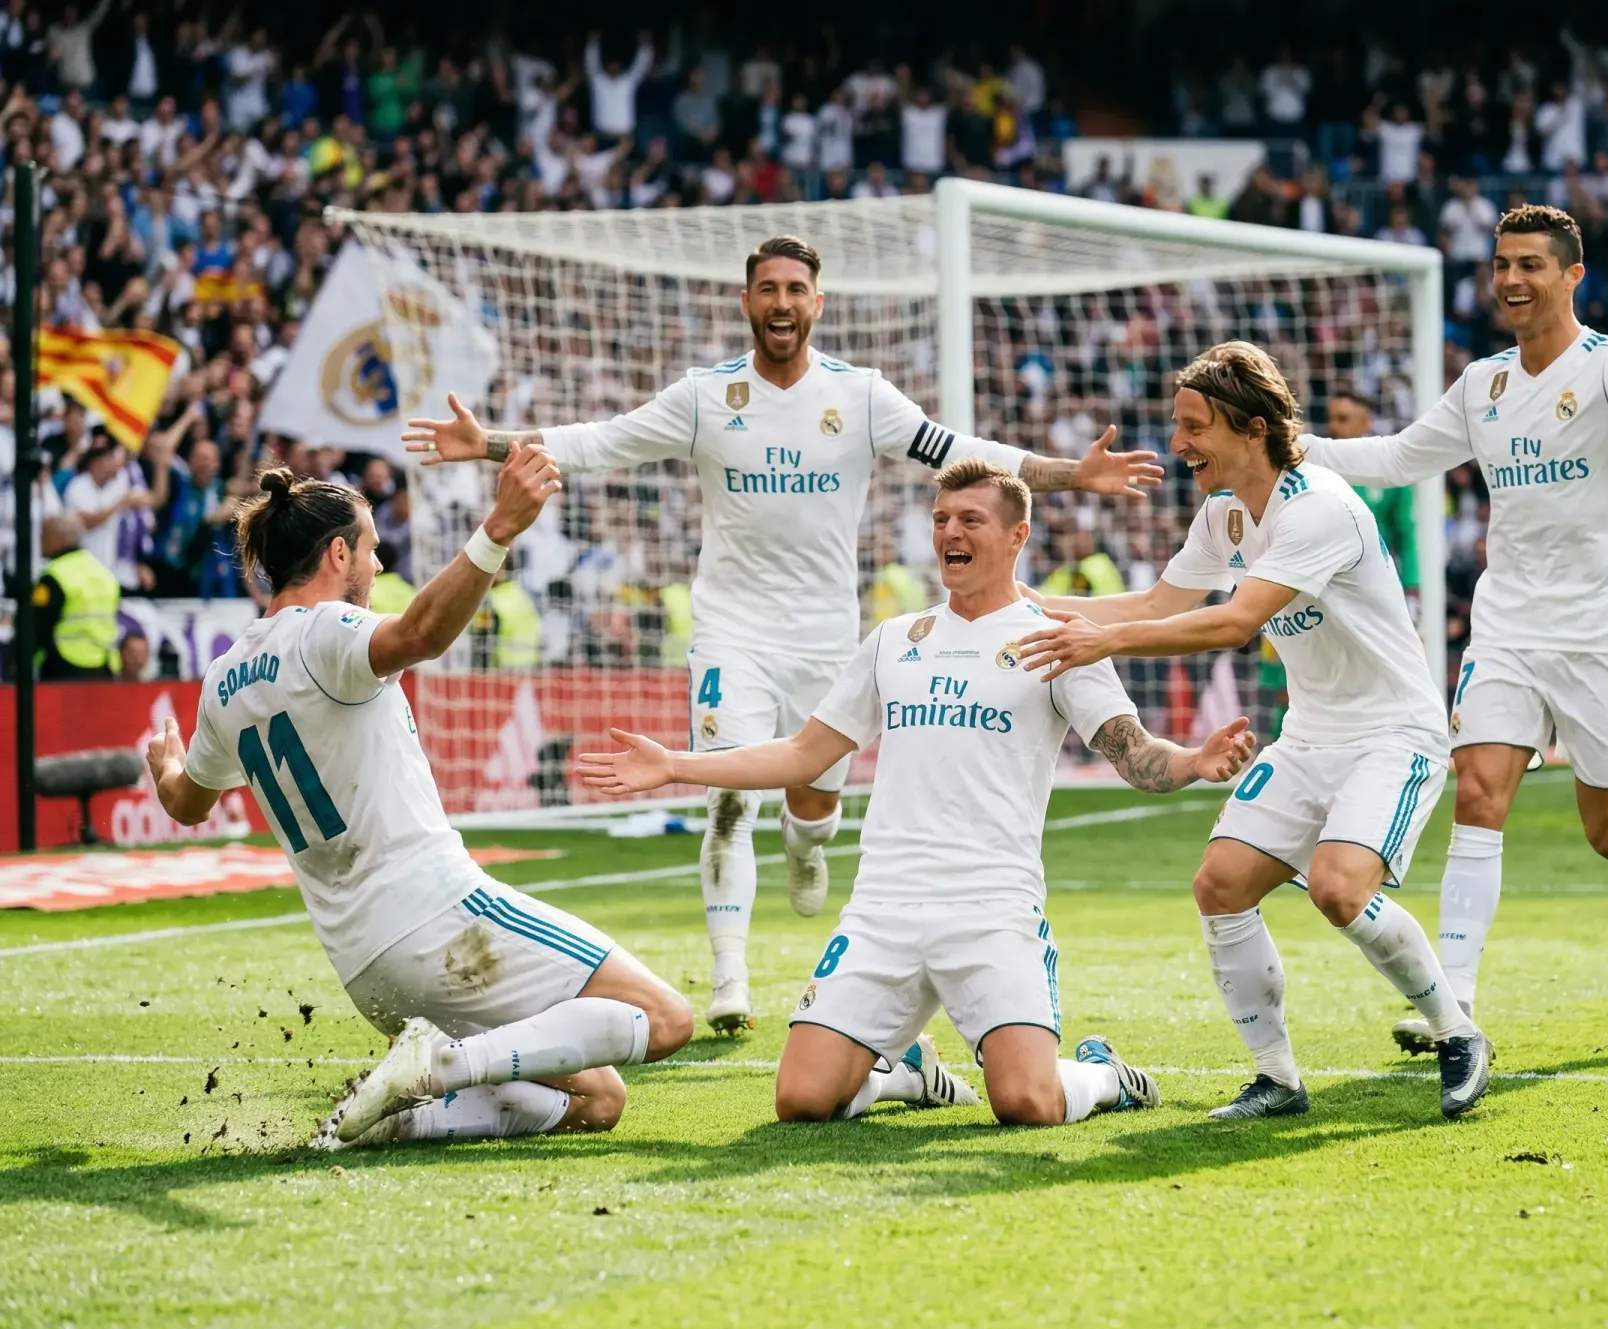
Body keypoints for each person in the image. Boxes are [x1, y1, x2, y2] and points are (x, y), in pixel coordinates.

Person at [404, 234, 1162, 1035]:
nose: (781, 304)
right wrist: (486, 444)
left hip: (827, 634)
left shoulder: (861, 395)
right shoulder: (704, 396)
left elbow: (959, 452)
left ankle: (807, 846)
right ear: (747, 303)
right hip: (731, 628)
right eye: (767, 289)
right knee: (728, 799)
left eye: (795, 290)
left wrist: (1072, 473)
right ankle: (729, 977)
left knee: (813, 803)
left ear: (816, 304)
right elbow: (603, 441)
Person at [579, 459, 1254, 1125]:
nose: (949, 533)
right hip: (885, 909)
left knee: (1027, 1104)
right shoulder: (895, 641)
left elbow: (1133, 754)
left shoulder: (1057, 639)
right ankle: (905, 1075)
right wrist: (676, 765)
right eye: (940, 520)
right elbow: (803, 753)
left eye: (970, 520)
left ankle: (1105, 1077)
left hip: (991, 907)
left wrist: (1193, 761)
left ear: (1017, 536)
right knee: (802, 1101)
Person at [143, 451, 693, 1150]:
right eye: (371, 549)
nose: (376, 567)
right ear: (339, 552)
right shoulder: (326, 631)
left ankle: (379, 1124)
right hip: (437, 921)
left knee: (596, 1097)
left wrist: (165, 767)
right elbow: (422, 634)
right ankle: (443, 1066)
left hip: (366, 972)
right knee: (666, 1018)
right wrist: (497, 528)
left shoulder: (222, 678)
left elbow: (188, 803)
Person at [1301, 204, 1608, 1052]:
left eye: (1531, 264)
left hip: (1603, 634)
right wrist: (1299, 447)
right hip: (1507, 628)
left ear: (1573, 275)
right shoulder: (1484, 383)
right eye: (1503, 263)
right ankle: (1454, 1008)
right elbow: (1397, 458)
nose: (1511, 278)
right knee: (1478, 795)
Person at [1019, 343, 1490, 1121]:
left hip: (1392, 733)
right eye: (1177, 425)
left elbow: (1235, 622)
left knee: (1339, 891)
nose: (1178, 445)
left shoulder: (1321, 507)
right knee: (1220, 884)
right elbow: (1153, 607)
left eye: (1193, 426)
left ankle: (1457, 1032)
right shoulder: (1224, 513)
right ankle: (1277, 1078)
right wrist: (1028, 605)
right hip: (1311, 736)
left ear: (1255, 429)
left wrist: (1102, 642)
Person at [1325, 391, 1419, 606]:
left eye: (1342, 419)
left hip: (1375, 585)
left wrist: (1412, 587)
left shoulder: (1388, 469)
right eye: (1330, 419)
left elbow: (1405, 534)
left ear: (1367, 422)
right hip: (1326, 583)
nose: (1333, 427)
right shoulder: (1313, 470)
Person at [33, 514, 121, 680]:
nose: (40, 541)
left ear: (62, 538)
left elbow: (38, 624)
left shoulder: (54, 576)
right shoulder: (104, 573)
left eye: (45, 534)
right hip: (103, 666)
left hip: (63, 665)